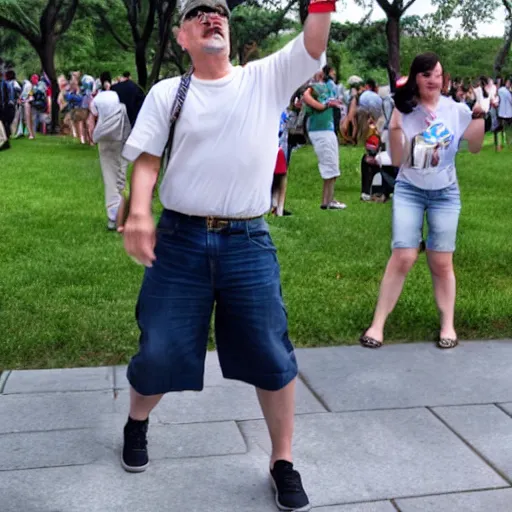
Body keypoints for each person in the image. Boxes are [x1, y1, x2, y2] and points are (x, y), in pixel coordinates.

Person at [118, 0, 334, 509]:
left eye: (220, 12)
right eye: (198, 14)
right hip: (180, 241)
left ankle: (282, 460)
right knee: (160, 350)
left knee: (269, 351)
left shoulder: (264, 78)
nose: (212, 17)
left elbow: (313, 43)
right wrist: (141, 212)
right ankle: (136, 421)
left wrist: (322, 3)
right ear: (182, 37)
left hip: (247, 242)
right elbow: (148, 161)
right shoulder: (169, 92)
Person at [359, 52, 486, 350]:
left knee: (441, 261)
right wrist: (396, 123)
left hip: (445, 192)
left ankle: (448, 325)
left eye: (438, 75)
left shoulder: (454, 110)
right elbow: (400, 160)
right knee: (403, 255)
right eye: (427, 75)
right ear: (416, 77)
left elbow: (477, 146)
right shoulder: (405, 110)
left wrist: (479, 115)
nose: (433, 80)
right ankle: (377, 325)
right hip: (410, 189)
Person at [90, 72, 131, 231]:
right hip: (120, 136)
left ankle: (113, 215)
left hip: (104, 138)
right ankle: (122, 214)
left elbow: (93, 115)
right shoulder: (117, 95)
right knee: (121, 174)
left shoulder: (97, 98)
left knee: (109, 176)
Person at [303, 70, 347, 210]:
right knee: (328, 164)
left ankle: (328, 200)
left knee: (333, 164)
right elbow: (310, 100)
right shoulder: (312, 88)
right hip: (319, 130)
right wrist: (326, 105)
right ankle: (326, 201)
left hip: (328, 129)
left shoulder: (328, 87)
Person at [496, 77, 512, 151]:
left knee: (506, 129)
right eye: (507, 82)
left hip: (506, 113)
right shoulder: (504, 91)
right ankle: (501, 144)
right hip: (504, 113)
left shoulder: (504, 90)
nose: (508, 84)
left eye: (509, 83)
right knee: (502, 128)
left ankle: (506, 142)